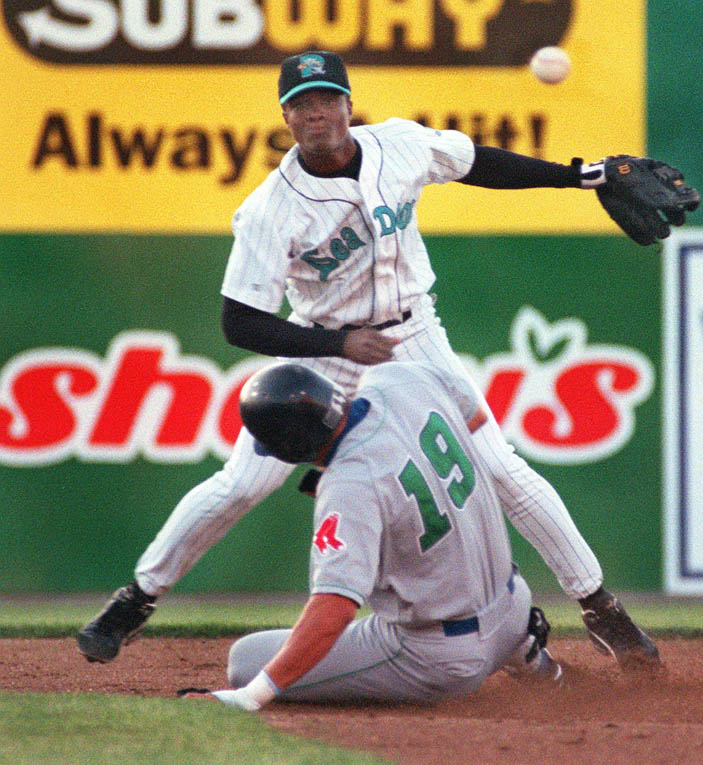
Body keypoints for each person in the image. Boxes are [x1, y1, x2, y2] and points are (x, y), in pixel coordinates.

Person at [78, 50, 666, 670]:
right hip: (328, 349)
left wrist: (581, 176)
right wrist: (338, 345)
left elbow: (477, 162)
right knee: (243, 484)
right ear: (286, 117)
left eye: (328, 99)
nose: (317, 113)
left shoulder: (399, 145)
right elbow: (239, 321)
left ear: (349, 104)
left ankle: (603, 610)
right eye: (303, 104)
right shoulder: (269, 209)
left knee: (500, 468)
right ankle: (135, 600)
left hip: (417, 337)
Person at [187, 359, 563, 710]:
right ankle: (522, 651)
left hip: (441, 658)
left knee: (246, 659)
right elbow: (475, 416)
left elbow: (334, 609)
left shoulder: (349, 484)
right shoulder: (400, 378)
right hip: (514, 605)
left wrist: (250, 698)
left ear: (290, 448)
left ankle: (501, 650)